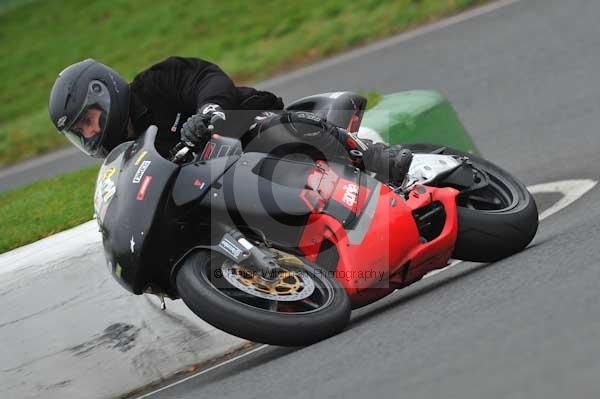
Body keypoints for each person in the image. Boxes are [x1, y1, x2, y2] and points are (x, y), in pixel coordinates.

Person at [48, 57, 412, 184]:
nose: (91, 133)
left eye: (89, 121)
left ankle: (375, 160)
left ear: (104, 94)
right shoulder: (124, 157)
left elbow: (208, 77)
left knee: (259, 129)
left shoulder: (156, 83)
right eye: (81, 132)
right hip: (225, 182)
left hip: (250, 123)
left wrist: (207, 114)